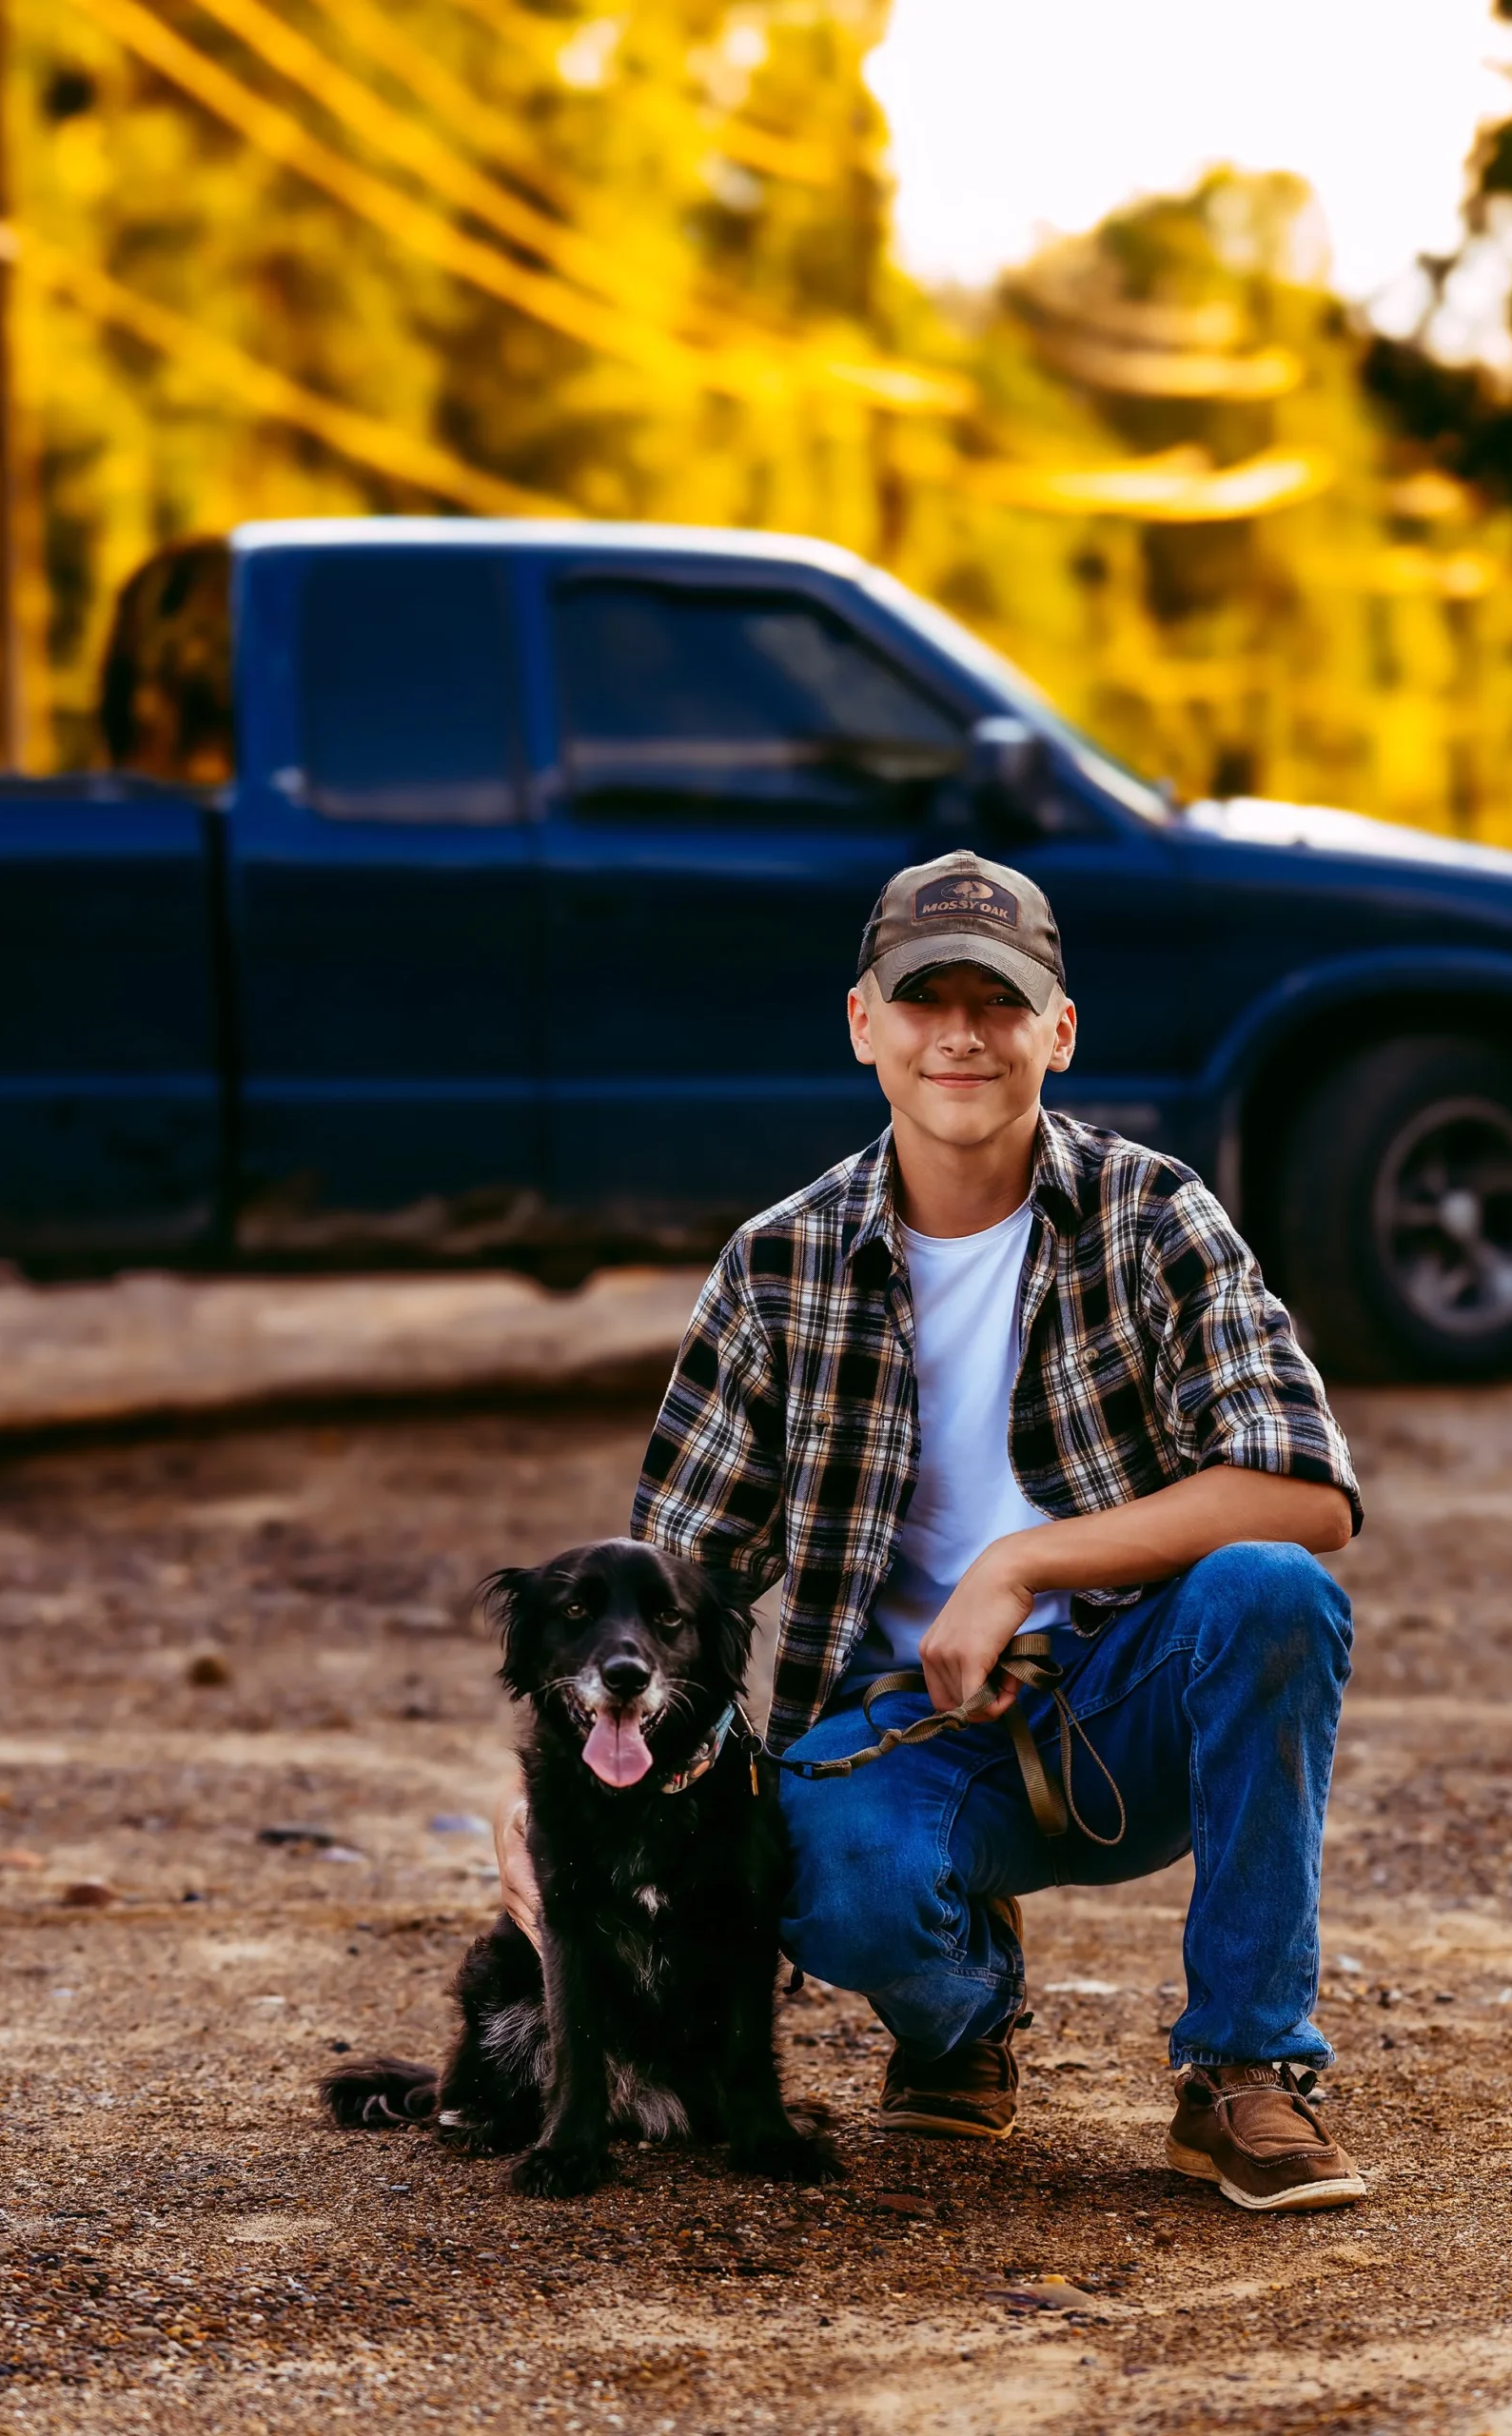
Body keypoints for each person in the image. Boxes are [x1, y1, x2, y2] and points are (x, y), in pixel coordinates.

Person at [495, 848, 1366, 2212]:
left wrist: (1018, 1565)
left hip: (1139, 1712)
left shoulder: (1154, 1215)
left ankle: (1244, 2070)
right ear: (864, 1024)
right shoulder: (778, 1263)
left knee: (1270, 1590)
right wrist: (562, 1775)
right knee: (825, 1869)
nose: (961, 1033)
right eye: (923, 998)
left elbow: (1308, 1488)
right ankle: (959, 2028)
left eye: (1002, 1000)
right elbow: (667, 1586)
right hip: (911, 1732)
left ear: (1059, 1032)